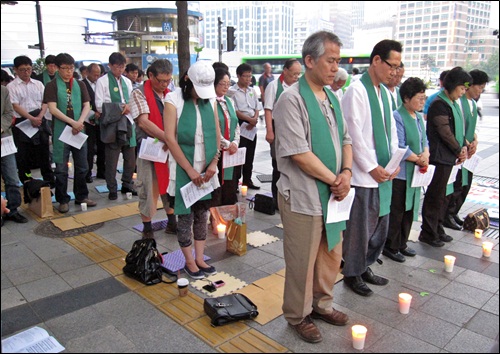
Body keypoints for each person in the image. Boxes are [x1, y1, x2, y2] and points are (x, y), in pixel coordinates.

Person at [274, 31, 352, 343]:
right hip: (304, 195)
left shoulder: (332, 96)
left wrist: (346, 171)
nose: (335, 67)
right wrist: (335, 180)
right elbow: (300, 154)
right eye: (330, 60)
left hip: (333, 195)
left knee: (331, 253)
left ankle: (322, 304)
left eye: (338, 61)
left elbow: (346, 139)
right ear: (309, 60)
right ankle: (297, 314)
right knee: (302, 260)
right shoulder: (291, 99)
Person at [341, 39, 402, 297]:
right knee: (360, 228)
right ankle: (352, 273)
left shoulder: (385, 94)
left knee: (379, 225)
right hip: (363, 175)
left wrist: (394, 161)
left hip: (383, 173)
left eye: (398, 67)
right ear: (376, 60)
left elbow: (391, 134)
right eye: (392, 65)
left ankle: (366, 264)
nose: (395, 71)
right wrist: (371, 166)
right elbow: (353, 134)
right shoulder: (356, 91)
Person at [163, 61, 221, 280]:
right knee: (185, 217)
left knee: (202, 214)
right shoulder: (173, 99)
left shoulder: (211, 100)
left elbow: (216, 132)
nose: (201, 95)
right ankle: (188, 261)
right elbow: (170, 137)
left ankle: (199, 257)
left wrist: (214, 163)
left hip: (206, 168)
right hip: (182, 168)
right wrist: (189, 170)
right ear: (187, 81)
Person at [419, 67, 471, 247]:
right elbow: (445, 132)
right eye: (462, 88)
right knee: (435, 196)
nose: (463, 92)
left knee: (444, 196)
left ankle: (438, 228)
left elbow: (457, 130)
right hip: (440, 158)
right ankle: (428, 232)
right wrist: (458, 149)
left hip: (450, 158)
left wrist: (463, 146)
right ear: (454, 84)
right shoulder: (439, 104)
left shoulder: (453, 103)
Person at [129, 59, 177, 238]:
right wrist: (169, 138)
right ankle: (147, 228)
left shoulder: (170, 94)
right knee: (148, 188)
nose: (164, 85)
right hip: (149, 149)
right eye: (161, 81)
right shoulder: (139, 93)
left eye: (167, 81)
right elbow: (143, 122)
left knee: (169, 183)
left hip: (169, 149)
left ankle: (172, 221)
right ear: (150, 76)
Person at [44, 53, 97, 213]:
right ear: (57, 68)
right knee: (61, 167)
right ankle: (62, 199)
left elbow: (87, 105)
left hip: (78, 129)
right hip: (62, 131)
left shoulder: (80, 85)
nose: (68, 71)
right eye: (65, 68)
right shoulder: (52, 86)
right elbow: (52, 109)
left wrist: (79, 122)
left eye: (71, 68)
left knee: (82, 166)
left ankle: (81, 195)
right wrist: (72, 122)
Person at [383, 77, 429, 263]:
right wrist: (418, 159)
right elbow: (399, 146)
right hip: (402, 172)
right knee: (398, 209)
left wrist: (425, 153)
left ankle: (402, 243)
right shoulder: (397, 116)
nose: (422, 102)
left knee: (410, 209)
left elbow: (424, 140)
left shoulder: (418, 116)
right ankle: (391, 245)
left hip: (416, 172)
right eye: (419, 98)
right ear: (406, 99)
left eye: (424, 98)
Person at [444, 69, 489, 229]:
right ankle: (447, 215)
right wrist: (464, 143)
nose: (480, 90)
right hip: (458, 149)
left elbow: (474, 127)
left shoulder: (473, 104)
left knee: (465, 184)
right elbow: (456, 127)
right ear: (469, 85)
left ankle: (454, 212)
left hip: (468, 150)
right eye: (479, 86)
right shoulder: (458, 103)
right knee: (455, 184)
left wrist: (475, 140)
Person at [7, 55, 55, 187]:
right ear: (15, 70)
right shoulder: (12, 87)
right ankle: (27, 180)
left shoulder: (38, 84)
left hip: (39, 119)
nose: (26, 72)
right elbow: (15, 105)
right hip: (22, 122)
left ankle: (49, 181)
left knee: (44, 154)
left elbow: (45, 101)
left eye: (28, 69)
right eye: (22, 70)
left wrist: (39, 117)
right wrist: (31, 118)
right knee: (23, 155)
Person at [95, 52, 137, 200]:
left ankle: (127, 183)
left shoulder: (127, 81)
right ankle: (112, 187)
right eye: (117, 67)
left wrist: (128, 107)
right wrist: (120, 107)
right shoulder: (102, 81)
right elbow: (99, 105)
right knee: (112, 159)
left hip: (128, 121)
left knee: (130, 157)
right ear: (110, 66)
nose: (120, 70)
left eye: (122, 67)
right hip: (112, 123)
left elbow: (132, 99)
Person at [264, 58, 302, 209]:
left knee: (293, 165)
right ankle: (276, 200)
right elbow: (268, 109)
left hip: (293, 129)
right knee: (278, 165)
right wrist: (269, 131)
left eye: (299, 74)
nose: (296, 77)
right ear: (285, 71)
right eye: (294, 74)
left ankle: (291, 197)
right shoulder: (274, 86)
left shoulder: (299, 87)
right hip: (278, 129)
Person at [227, 63, 261, 190]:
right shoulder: (233, 92)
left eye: (250, 76)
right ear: (238, 76)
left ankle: (247, 181)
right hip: (241, 124)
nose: (248, 79)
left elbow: (257, 107)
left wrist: (255, 118)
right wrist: (248, 120)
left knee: (250, 154)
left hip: (252, 125)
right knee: (238, 154)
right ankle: (235, 183)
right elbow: (235, 111)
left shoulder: (252, 91)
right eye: (245, 76)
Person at [211, 67, 240, 210]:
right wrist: (226, 143)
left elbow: (236, 125)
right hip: (217, 151)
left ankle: (227, 217)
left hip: (230, 152)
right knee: (216, 185)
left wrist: (235, 142)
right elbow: (213, 128)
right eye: (223, 83)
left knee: (230, 185)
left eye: (228, 84)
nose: (226, 87)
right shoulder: (209, 102)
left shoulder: (230, 101)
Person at [1, 85, 28, 226]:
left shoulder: (3, 90)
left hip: (4, 139)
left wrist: (1, 127)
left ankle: (13, 209)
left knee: (12, 176)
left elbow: (8, 113)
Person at [82, 63, 105, 182]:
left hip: (101, 120)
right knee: (89, 148)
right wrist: (92, 113)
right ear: (87, 72)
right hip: (87, 120)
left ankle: (102, 170)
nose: (97, 77)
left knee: (102, 146)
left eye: (98, 75)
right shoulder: (82, 84)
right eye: (94, 75)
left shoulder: (101, 84)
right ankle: (88, 172)